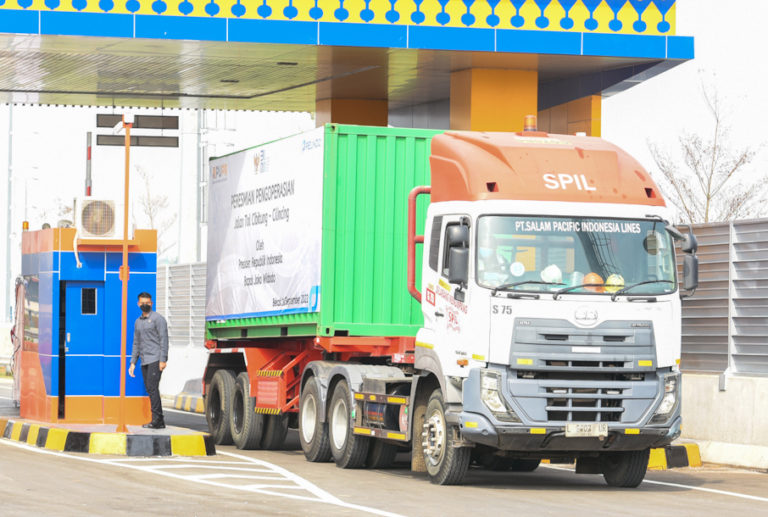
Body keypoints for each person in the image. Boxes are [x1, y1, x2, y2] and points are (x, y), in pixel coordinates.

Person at [129, 292, 169, 429]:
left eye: (148, 302)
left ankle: (157, 420)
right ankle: (160, 420)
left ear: (151, 303)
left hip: (155, 359)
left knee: (152, 388)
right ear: (138, 304)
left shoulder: (158, 319)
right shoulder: (138, 322)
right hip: (144, 360)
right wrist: (133, 362)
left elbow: (164, 340)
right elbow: (136, 343)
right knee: (150, 389)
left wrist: (163, 359)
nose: (145, 305)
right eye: (142, 302)